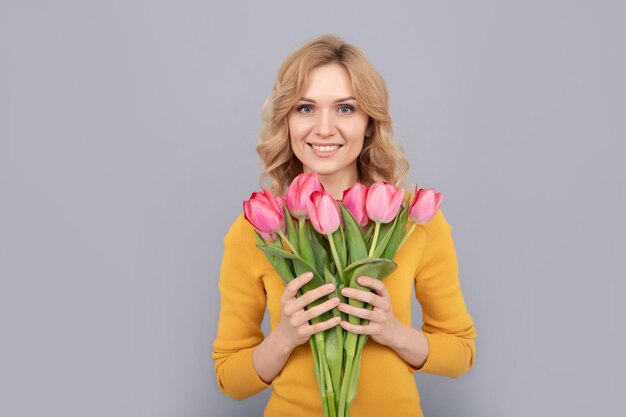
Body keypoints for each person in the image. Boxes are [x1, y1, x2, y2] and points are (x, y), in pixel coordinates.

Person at [212, 34, 477, 417]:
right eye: (305, 108)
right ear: (285, 120)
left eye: (345, 109)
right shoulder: (258, 226)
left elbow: (461, 353)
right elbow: (230, 378)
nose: (323, 128)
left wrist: (393, 332)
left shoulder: (415, 220)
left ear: (370, 122)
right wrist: (285, 337)